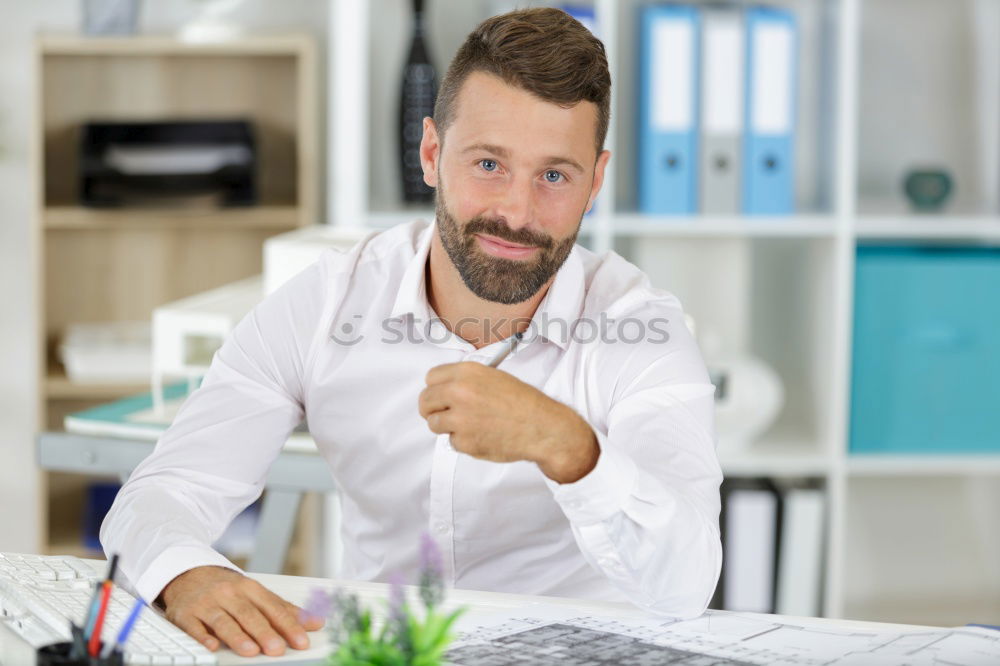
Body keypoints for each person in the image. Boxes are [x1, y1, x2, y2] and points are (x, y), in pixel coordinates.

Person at [101, 7, 723, 658]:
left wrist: (570, 449)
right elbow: (164, 492)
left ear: (595, 182)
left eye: (554, 176)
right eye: (488, 164)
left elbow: (685, 585)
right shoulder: (326, 303)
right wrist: (186, 573)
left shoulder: (641, 328)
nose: (516, 211)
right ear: (431, 153)